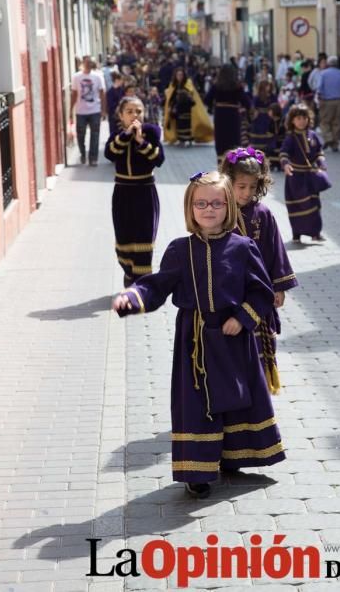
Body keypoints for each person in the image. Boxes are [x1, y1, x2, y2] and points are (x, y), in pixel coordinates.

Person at [113, 171, 286, 499]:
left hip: (235, 338)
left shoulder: (243, 248)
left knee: (238, 398)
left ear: (229, 207)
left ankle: (236, 455)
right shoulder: (179, 250)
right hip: (195, 342)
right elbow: (157, 285)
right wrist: (132, 298)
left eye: (217, 203)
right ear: (190, 208)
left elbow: (261, 292)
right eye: (201, 203)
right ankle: (198, 470)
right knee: (198, 403)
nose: (209, 209)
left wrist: (243, 317)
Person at [220, 147, 298, 394]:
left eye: (252, 187)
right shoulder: (218, 211)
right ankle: (232, 393)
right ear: (228, 182)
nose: (247, 193)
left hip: (258, 291)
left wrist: (279, 287)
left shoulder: (263, 213)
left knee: (258, 344)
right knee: (231, 343)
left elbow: (275, 250)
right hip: (228, 293)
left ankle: (258, 392)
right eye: (241, 186)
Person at [104, 97, 165, 287]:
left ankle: (142, 285)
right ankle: (129, 273)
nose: (134, 115)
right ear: (121, 115)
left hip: (145, 192)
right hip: (122, 193)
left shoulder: (152, 133)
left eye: (138, 111)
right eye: (129, 111)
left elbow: (159, 159)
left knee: (144, 240)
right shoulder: (117, 134)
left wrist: (141, 141)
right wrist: (126, 136)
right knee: (123, 241)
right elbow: (110, 153)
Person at [280, 104, 327, 243]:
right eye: (298, 118)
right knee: (297, 206)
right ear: (292, 120)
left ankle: (315, 234)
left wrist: (321, 163)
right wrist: (286, 165)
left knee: (314, 205)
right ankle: (297, 234)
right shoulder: (290, 138)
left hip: (310, 177)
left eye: (304, 118)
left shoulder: (313, 136)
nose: (302, 121)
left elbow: (319, 152)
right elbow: (284, 154)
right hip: (295, 178)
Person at [204, 64, 251, 164]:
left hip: (220, 117)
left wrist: (214, 106)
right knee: (233, 141)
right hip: (233, 117)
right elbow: (247, 102)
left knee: (222, 142)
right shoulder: (237, 87)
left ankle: (222, 167)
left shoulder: (216, 86)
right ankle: (233, 167)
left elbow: (207, 100)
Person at [70, 55, 106, 166]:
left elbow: (102, 93)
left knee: (95, 134)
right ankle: (82, 153)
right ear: (83, 63)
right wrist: (71, 109)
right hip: (81, 111)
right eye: (87, 62)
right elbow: (74, 94)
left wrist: (104, 110)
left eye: (91, 63)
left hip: (95, 110)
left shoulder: (98, 76)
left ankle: (93, 158)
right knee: (80, 135)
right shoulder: (76, 77)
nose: (89, 64)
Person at [164, 67, 213, 146]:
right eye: (178, 75)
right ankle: (180, 139)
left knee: (187, 124)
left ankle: (188, 139)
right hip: (177, 109)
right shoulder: (173, 85)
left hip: (187, 108)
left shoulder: (188, 84)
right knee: (178, 124)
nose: (179, 76)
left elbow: (192, 95)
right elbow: (171, 96)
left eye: (181, 75)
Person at [316, 55, 340, 152]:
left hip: (326, 101)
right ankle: (335, 143)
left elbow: (319, 88)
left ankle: (328, 138)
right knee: (337, 123)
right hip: (339, 100)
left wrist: (319, 99)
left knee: (324, 122)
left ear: (328, 64)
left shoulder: (323, 74)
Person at [248, 80, 277, 154]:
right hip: (259, 118)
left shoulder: (272, 96)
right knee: (258, 131)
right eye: (267, 85)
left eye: (269, 85)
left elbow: (276, 105)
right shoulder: (257, 96)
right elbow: (253, 106)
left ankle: (267, 149)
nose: (268, 87)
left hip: (269, 117)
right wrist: (255, 112)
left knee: (268, 132)